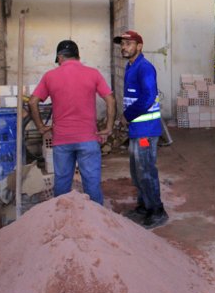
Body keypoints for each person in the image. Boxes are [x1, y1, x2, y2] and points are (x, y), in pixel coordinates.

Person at [29, 40, 115, 205]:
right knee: (92, 182)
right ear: (78, 56)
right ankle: (97, 221)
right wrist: (108, 127)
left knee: (62, 183)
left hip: (62, 140)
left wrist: (41, 127)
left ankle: (63, 218)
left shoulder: (50, 76)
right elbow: (110, 99)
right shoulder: (93, 73)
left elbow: (33, 102)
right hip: (88, 139)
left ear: (60, 57)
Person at [113, 30, 168, 229]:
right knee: (136, 171)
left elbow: (147, 97)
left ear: (139, 46)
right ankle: (144, 205)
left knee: (146, 169)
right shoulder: (131, 66)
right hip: (137, 129)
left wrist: (127, 116)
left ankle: (157, 210)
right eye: (122, 44)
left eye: (129, 43)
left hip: (146, 130)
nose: (124, 47)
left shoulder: (144, 68)